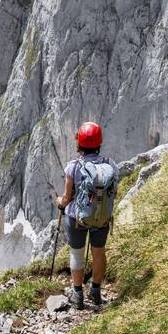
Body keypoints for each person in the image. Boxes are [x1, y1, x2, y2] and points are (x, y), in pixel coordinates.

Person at [56, 121, 118, 310]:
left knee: (77, 253)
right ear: (99, 143)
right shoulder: (110, 165)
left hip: (77, 218)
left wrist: (60, 202)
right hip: (101, 217)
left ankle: (77, 294)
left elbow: (67, 197)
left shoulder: (73, 167)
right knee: (98, 252)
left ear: (79, 144)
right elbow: (114, 192)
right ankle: (96, 291)